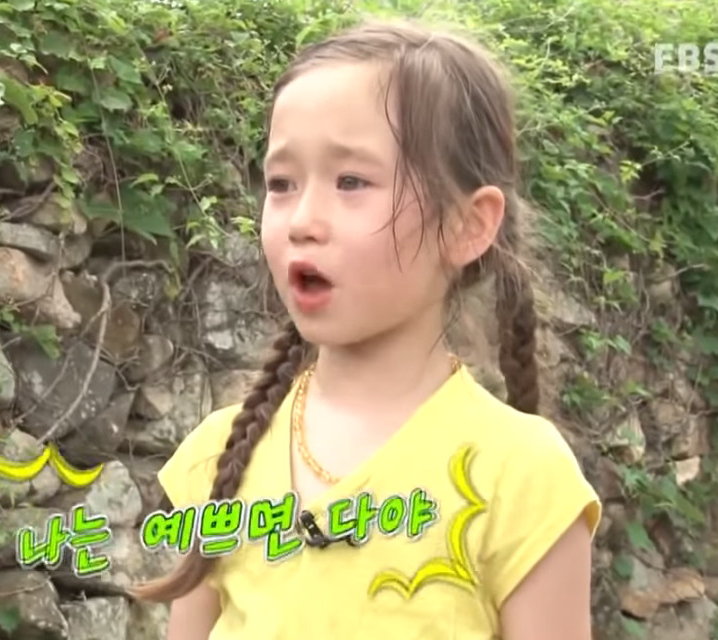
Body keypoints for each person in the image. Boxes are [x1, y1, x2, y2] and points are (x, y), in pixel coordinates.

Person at [129, 18, 602, 640]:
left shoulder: (522, 475)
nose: (302, 220)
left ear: (467, 225)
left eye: (351, 182)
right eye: (281, 184)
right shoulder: (218, 458)